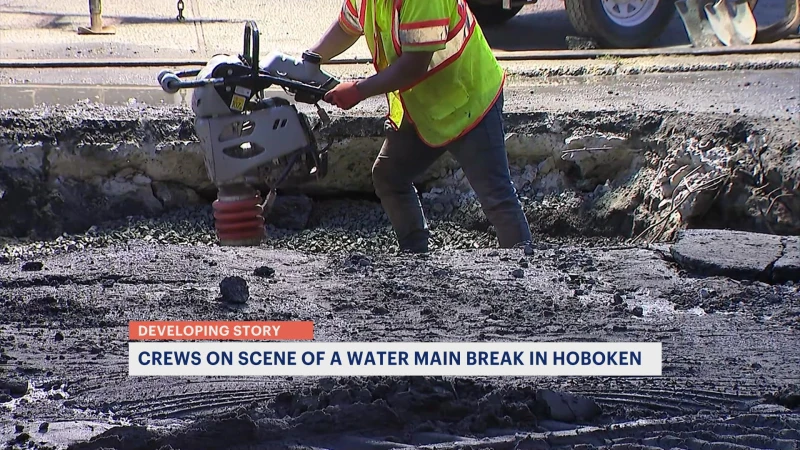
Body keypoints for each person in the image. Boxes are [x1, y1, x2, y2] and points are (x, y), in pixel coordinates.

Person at [307, 0, 532, 253]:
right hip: (424, 105)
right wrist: (310, 60)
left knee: (497, 198)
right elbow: (347, 25)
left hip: (469, 101)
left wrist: (359, 90)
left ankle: (523, 271)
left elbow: (414, 65)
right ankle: (414, 258)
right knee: (389, 176)